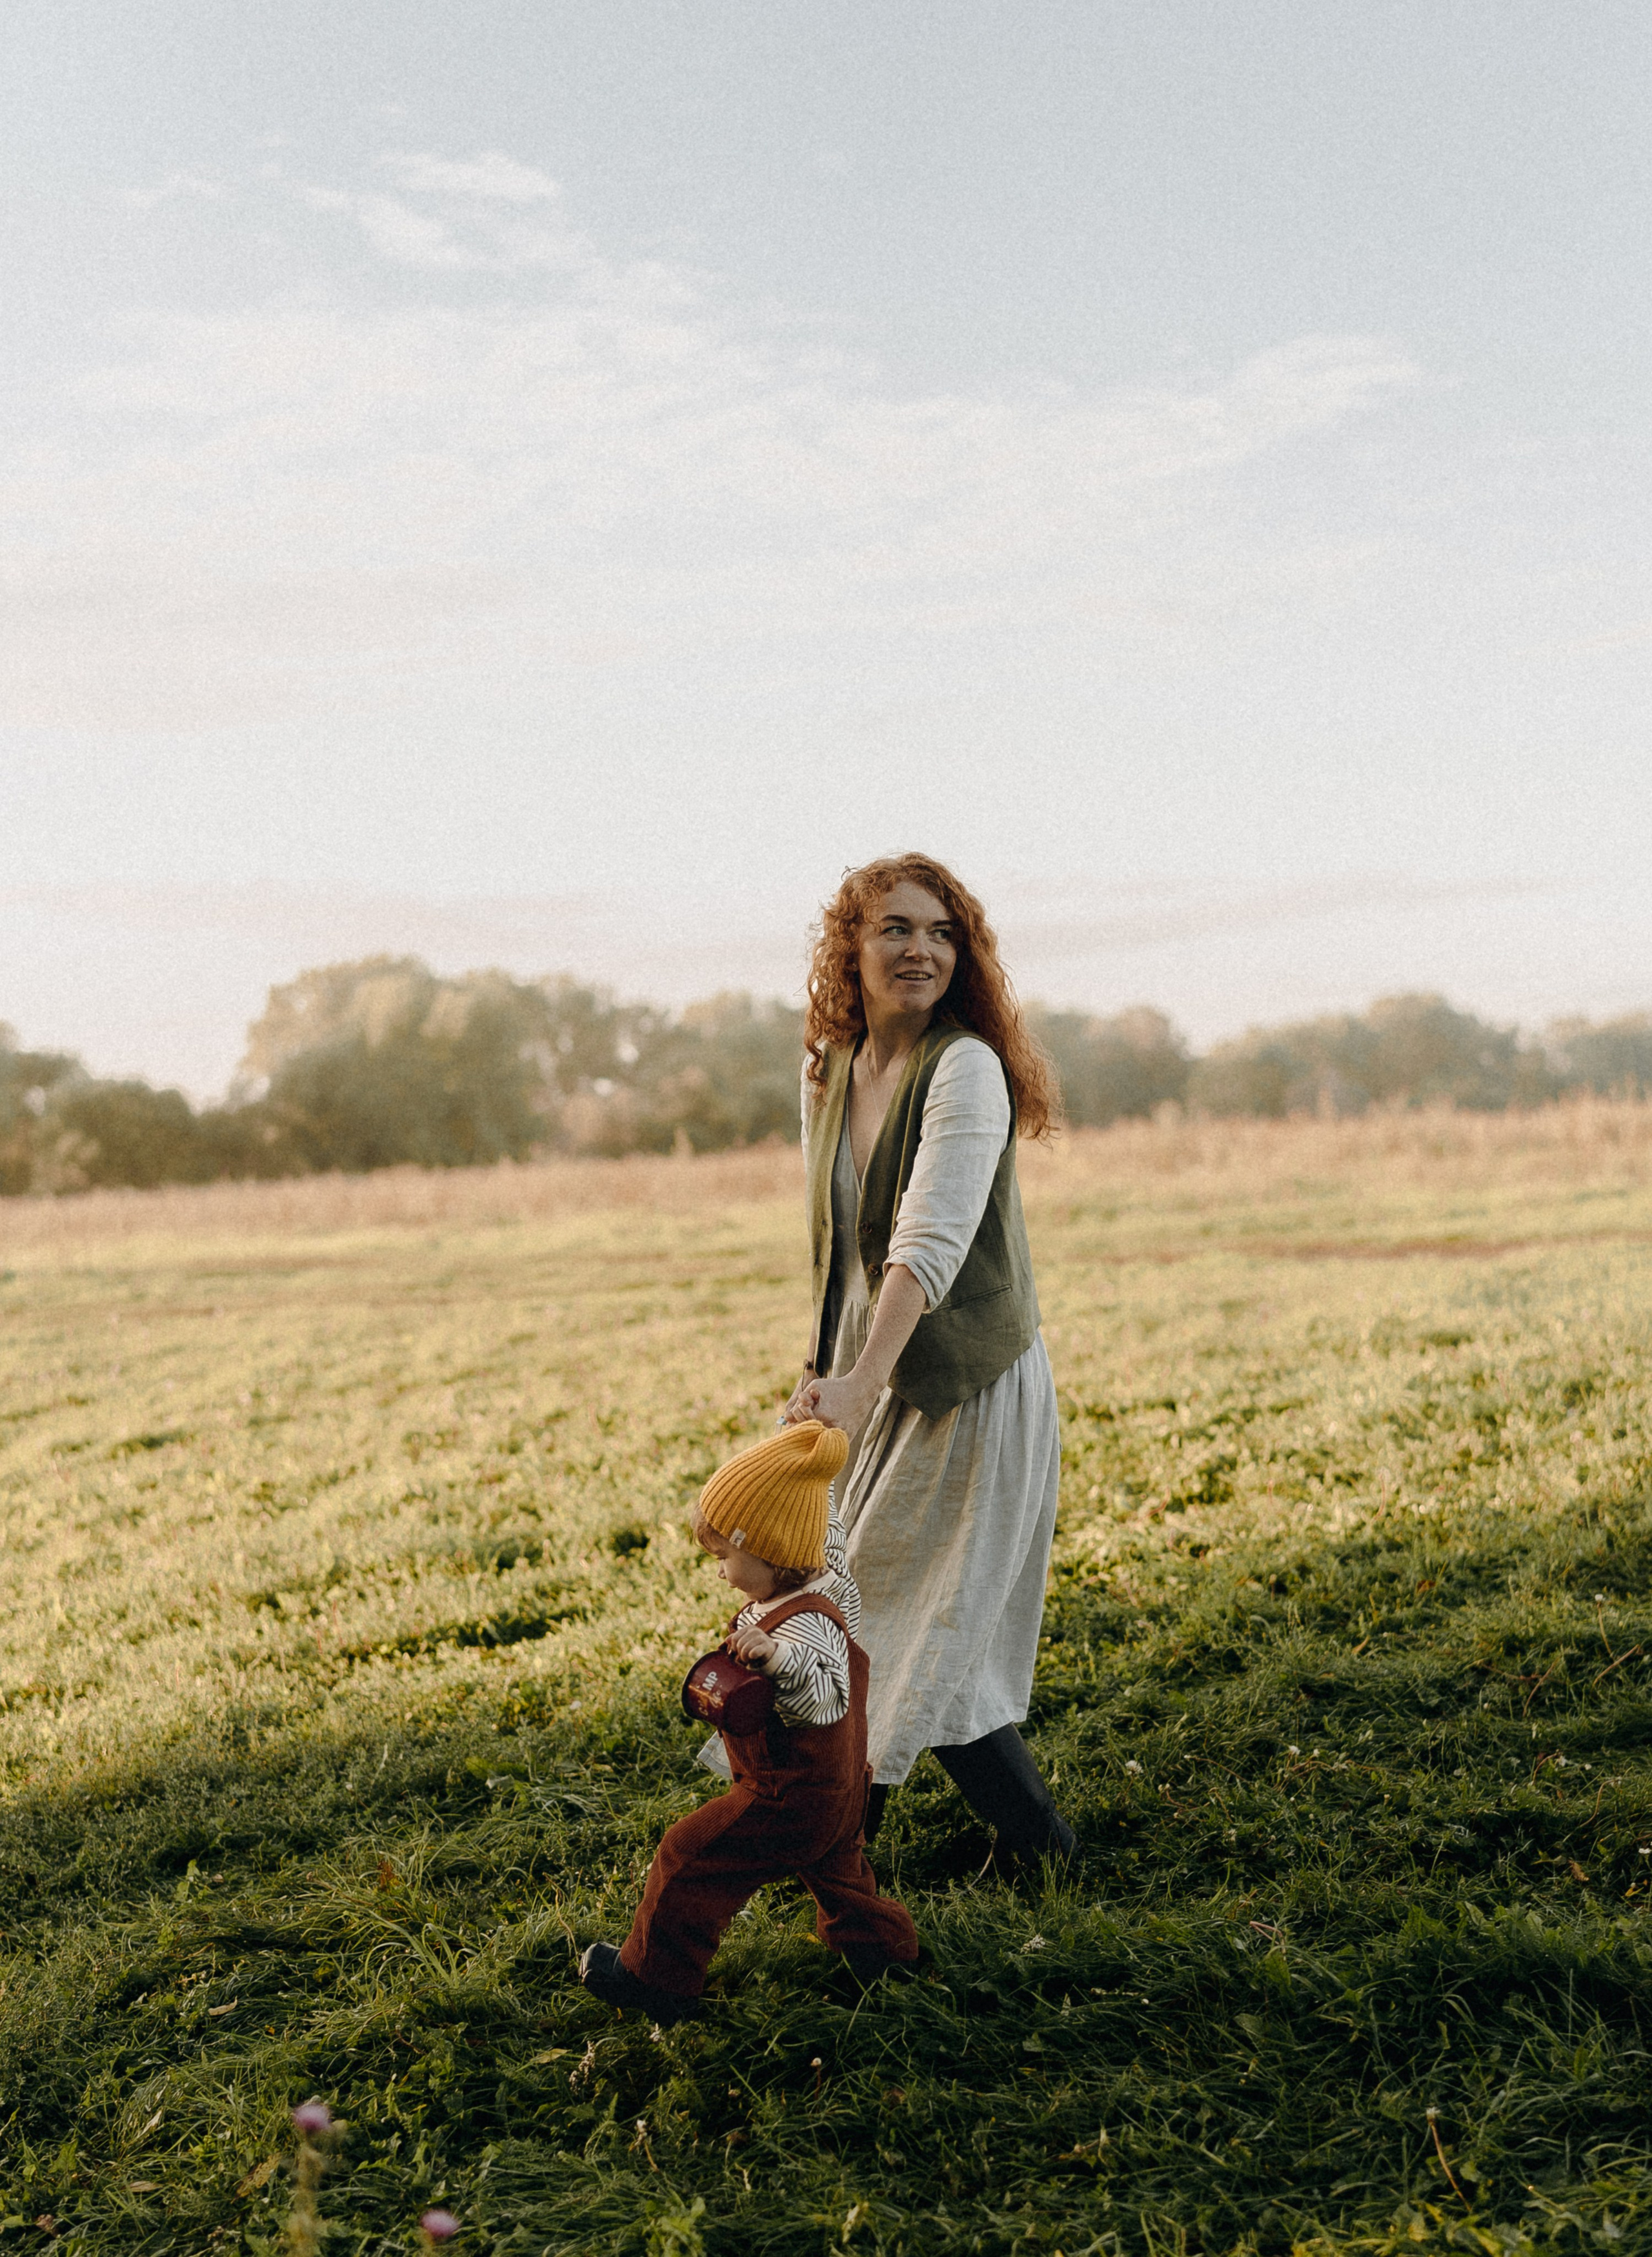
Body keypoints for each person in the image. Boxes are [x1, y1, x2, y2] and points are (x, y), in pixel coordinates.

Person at [783, 852, 1074, 1874]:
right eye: (896, 928)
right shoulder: (826, 1067)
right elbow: (838, 1240)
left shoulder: (967, 1068)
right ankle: (859, 1849)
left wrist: (865, 1380)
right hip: (874, 1376)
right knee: (868, 1613)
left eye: (943, 932)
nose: (920, 949)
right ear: (850, 948)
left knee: (904, 1616)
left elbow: (929, 1239)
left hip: (968, 1383)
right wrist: (822, 1370)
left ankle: (848, 1851)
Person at [579, 1420, 919, 2025]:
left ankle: (656, 1980)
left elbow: (825, 1700)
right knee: (841, 1880)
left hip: (786, 1797)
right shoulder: (828, 1576)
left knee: (688, 1858)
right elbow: (822, 1525)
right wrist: (804, 1455)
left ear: (773, 1552)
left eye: (725, 1557)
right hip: (841, 1791)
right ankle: (889, 1958)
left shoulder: (804, 1628)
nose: (719, 1572)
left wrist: (776, 1658)